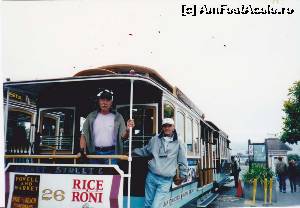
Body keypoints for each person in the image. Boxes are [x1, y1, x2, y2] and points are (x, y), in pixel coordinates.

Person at [133, 118, 188, 208]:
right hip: (151, 176)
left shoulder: (179, 141)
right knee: (147, 204)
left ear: (173, 127)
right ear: (162, 127)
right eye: (164, 126)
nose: (167, 128)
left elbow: (182, 160)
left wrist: (183, 176)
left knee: (155, 206)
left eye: (169, 126)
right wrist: (132, 151)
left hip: (165, 180)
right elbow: (145, 151)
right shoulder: (155, 139)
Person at [79, 89, 134, 164]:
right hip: (94, 153)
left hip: (112, 154)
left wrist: (128, 130)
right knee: (95, 175)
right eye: (102, 100)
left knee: (110, 175)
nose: (104, 103)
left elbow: (124, 137)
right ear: (99, 101)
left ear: (111, 102)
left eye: (107, 100)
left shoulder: (118, 117)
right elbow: (84, 134)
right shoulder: (91, 116)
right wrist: (83, 151)